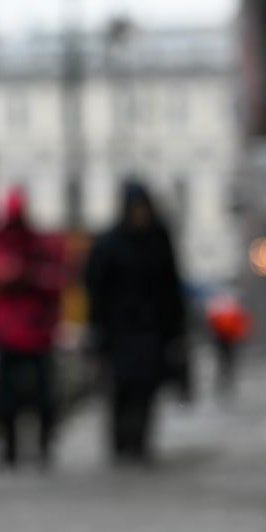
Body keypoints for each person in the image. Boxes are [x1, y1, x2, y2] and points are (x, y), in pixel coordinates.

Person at [84, 179, 186, 465]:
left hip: (151, 329)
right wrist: (98, 327)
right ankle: (121, 442)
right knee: (121, 389)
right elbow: (96, 288)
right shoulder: (109, 244)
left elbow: (171, 287)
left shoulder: (158, 241)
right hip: (120, 330)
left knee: (146, 388)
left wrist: (175, 328)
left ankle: (139, 441)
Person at [0, 186, 65, 470]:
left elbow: (57, 279)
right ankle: (12, 448)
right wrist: (4, 278)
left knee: (39, 395)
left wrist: (29, 277)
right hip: (9, 332)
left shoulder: (35, 246)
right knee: (9, 395)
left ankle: (38, 446)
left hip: (34, 331)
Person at [204, 290, 250, 398]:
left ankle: (225, 382)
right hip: (225, 339)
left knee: (225, 361)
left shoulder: (219, 309)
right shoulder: (230, 310)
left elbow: (211, 323)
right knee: (227, 361)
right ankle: (226, 382)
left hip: (225, 339)